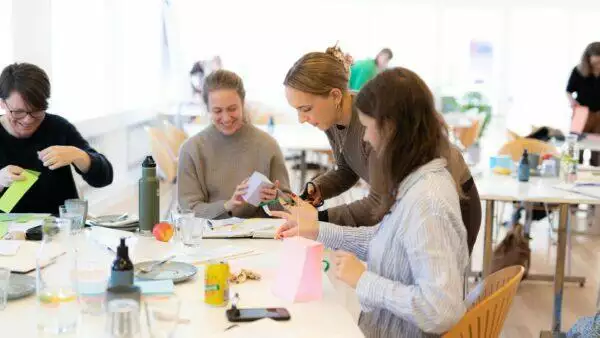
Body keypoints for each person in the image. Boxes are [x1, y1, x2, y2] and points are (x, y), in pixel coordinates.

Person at [274, 68, 468, 338]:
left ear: (391, 130)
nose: (364, 138)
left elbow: (440, 311)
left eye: (367, 127)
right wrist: (317, 231)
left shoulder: (427, 202)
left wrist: (364, 280)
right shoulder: (414, 184)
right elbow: (384, 242)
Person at [284, 45, 482, 255]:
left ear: (335, 96)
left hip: (450, 203)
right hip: (412, 208)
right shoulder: (332, 119)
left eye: (305, 109)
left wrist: (319, 219)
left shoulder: (373, 124)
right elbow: (347, 169)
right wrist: (318, 189)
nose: (301, 119)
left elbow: (379, 202)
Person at [0, 63, 113, 214]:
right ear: (2, 103)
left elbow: (104, 178)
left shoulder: (58, 127)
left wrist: (78, 155)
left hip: (59, 230)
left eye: (37, 111)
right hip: (6, 234)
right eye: (18, 112)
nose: (28, 120)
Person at [177, 69, 291, 219]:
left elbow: (289, 206)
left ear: (242, 104)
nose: (226, 118)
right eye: (217, 111)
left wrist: (274, 198)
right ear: (208, 109)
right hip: (209, 238)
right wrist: (228, 206)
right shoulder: (192, 149)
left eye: (232, 109)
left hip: (260, 238)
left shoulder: (267, 145)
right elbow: (188, 210)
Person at [567, 41, 600, 165]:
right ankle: (573, 174)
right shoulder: (578, 71)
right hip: (581, 112)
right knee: (575, 147)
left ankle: (596, 177)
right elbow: (569, 90)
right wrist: (572, 102)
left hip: (599, 114)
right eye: (595, 63)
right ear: (588, 59)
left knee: (597, 150)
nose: (598, 66)